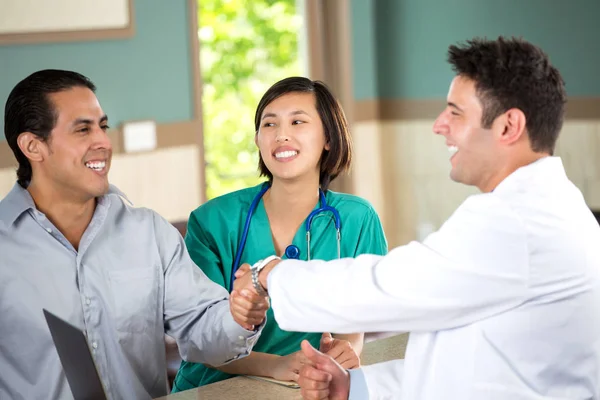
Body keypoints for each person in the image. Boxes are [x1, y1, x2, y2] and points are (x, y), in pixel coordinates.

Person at [233, 37, 600, 399]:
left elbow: (388, 288)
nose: (439, 125)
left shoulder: (515, 221)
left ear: (508, 126)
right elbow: (469, 356)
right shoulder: (545, 207)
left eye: (456, 112)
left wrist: (271, 273)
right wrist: (355, 385)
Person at [0, 69, 269, 400]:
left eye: (102, 126)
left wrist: (239, 316)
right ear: (33, 146)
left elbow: (205, 333)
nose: (103, 142)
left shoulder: (149, 232)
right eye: (83, 129)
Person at [172, 77, 388, 391]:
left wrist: (348, 346)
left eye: (298, 121)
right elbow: (199, 337)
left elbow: (358, 309)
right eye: (269, 124)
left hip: (305, 387)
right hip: (213, 388)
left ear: (329, 137)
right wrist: (277, 364)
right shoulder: (212, 221)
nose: (281, 135)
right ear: (258, 139)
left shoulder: (358, 218)